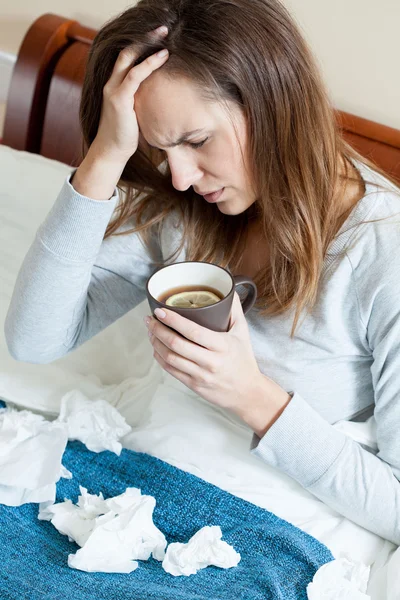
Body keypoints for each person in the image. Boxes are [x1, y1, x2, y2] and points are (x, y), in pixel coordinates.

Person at [4, 0, 400, 545]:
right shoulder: (180, 209)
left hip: (263, 530)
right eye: (160, 149)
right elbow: (33, 340)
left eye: (196, 141)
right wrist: (104, 157)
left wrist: (250, 395)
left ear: (274, 104)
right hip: (131, 486)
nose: (183, 176)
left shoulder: (383, 252)